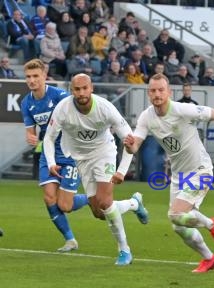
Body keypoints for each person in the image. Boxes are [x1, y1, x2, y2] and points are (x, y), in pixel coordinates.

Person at [123, 74, 214, 273]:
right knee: (178, 225)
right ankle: (209, 259)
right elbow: (135, 146)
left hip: (200, 169)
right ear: (148, 94)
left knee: (176, 214)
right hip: (179, 176)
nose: (157, 94)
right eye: (153, 91)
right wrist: (128, 146)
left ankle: (213, 224)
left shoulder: (182, 109)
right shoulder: (146, 117)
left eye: (161, 90)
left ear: (169, 92)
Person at [43, 73, 149, 266]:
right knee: (99, 212)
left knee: (106, 202)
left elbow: (130, 141)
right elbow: (49, 138)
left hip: (104, 154)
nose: (81, 92)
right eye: (77, 89)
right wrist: (51, 163)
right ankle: (134, 203)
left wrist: (122, 171)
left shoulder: (105, 108)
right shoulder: (62, 109)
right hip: (81, 160)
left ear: (91, 88)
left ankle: (124, 250)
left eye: (85, 88)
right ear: (71, 90)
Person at [21, 59, 89, 252]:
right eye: (28, 77)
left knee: (65, 205)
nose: (32, 80)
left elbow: (78, 119)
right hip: (48, 154)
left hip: (69, 153)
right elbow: (30, 131)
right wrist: (31, 138)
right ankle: (70, 240)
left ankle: (92, 198)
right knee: (49, 198)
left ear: (44, 75)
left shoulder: (60, 96)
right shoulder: (26, 103)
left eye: (35, 76)